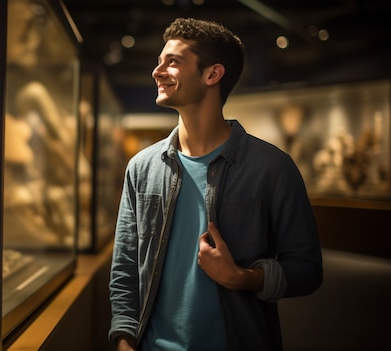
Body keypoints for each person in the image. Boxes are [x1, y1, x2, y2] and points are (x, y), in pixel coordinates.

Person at [108, 17, 323, 351]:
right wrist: (124, 341)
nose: (157, 70)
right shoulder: (141, 167)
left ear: (212, 74)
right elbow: (125, 267)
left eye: (173, 62)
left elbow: (307, 270)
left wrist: (241, 277)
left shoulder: (272, 168)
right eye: (159, 61)